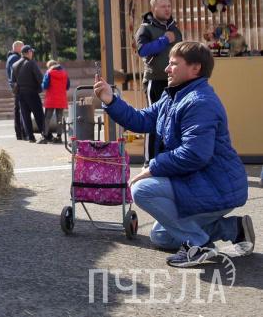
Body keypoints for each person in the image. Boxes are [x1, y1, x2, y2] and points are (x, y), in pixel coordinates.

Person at [93, 41, 254, 267]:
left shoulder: (200, 102)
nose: (167, 69)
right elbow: (141, 120)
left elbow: (194, 154)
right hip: (197, 181)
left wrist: (153, 167)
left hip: (216, 187)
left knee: (142, 189)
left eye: (173, 64)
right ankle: (233, 228)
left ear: (195, 68)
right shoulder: (174, 97)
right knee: (162, 236)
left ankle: (199, 245)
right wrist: (110, 100)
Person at [136, 0, 182, 163]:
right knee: (154, 119)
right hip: (154, 80)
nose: (167, 9)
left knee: (174, 120)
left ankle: (169, 160)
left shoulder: (175, 29)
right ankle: (149, 161)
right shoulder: (145, 29)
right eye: (163, 6)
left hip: (176, 81)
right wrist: (164, 39)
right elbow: (142, 51)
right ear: (153, 9)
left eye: (169, 6)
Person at [12, 45, 47, 144]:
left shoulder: (14, 65)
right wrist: (41, 88)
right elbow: (40, 77)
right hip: (32, 92)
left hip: (20, 94)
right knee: (38, 114)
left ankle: (30, 137)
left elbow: (13, 81)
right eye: (32, 52)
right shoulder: (31, 63)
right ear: (28, 52)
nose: (32, 54)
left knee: (25, 115)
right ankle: (45, 135)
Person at [41, 59, 69, 144]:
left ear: (50, 66)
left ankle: (45, 136)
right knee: (59, 118)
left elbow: (45, 85)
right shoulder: (65, 73)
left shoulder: (49, 73)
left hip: (51, 99)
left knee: (47, 118)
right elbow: (67, 86)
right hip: (61, 99)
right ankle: (59, 137)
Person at [6, 41, 26, 140]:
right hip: (18, 87)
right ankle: (21, 133)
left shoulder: (12, 57)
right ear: (18, 48)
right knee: (19, 110)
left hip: (16, 87)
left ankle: (21, 133)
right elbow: (16, 74)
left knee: (19, 110)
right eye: (23, 47)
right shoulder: (15, 58)